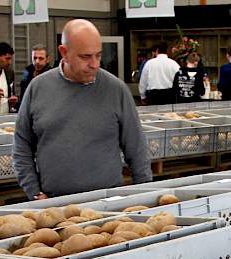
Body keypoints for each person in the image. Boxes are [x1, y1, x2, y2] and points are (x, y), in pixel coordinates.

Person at [14, 19, 150, 198]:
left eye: (98, 55)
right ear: (64, 52)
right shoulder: (38, 88)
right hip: (54, 205)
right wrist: (34, 191)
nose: (95, 64)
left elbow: (137, 149)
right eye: (86, 57)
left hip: (108, 203)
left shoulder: (116, 89)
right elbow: (22, 144)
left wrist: (145, 196)